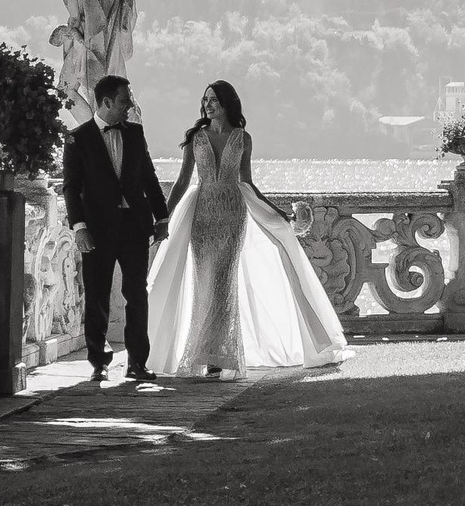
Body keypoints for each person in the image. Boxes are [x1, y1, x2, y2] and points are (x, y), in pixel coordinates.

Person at [147, 81, 349, 381]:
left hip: (232, 214)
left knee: (223, 283)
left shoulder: (242, 139)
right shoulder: (196, 138)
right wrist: (163, 217)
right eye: (205, 100)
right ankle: (202, 353)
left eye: (214, 100)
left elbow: (247, 183)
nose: (208, 105)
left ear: (227, 103)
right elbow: (181, 182)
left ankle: (219, 356)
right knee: (204, 284)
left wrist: (276, 211)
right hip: (202, 214)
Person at [59, 74, 169, 384]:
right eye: (125, 100)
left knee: (137, 294)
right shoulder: (77, 138)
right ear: (107, 102)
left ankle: (137, 362)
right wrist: (79, 227)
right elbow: (71, 188)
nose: (131, 105)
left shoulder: (135, 133)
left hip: (134, 225)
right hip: (96, 228)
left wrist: (161, 218)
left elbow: (148, 177)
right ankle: (99, 362)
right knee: (96, 295)